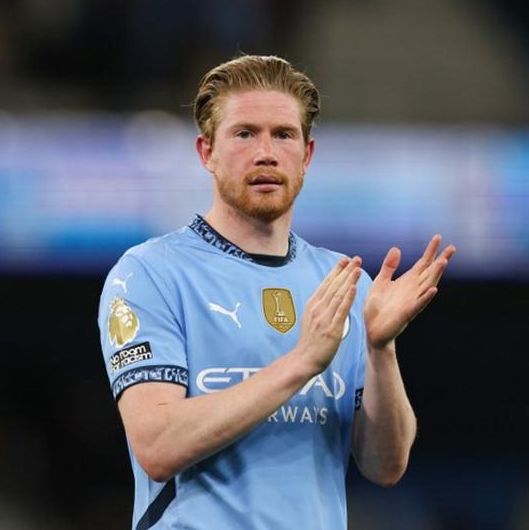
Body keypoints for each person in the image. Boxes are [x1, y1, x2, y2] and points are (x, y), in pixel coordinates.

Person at [97, 55, 456, 529]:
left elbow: (385, 466)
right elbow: (157, 446)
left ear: (306, 155)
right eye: (244, 133)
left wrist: (380, 348)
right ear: (206, 152)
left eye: (283, 134)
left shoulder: (343, 283)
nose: (265, 152)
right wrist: (301, 363)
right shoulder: (149, 274)